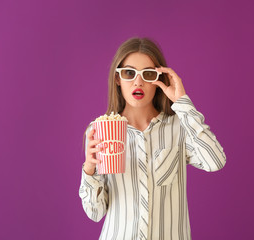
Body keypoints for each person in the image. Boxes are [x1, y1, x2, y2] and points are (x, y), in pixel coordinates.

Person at [79, 37, 227, 240]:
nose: (138, 81)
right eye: (129, 73)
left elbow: (215, 161)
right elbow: (94, 213)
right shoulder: (99, 131)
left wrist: (182, 103)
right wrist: (89, 168)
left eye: (147, 74)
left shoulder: (179, 127)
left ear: (159, 79)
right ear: (117, 79)